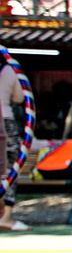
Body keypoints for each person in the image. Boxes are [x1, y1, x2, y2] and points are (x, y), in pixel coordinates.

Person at [0, 55, 29, 231]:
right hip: (6, 120)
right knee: (10, 168)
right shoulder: (9, 69)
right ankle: (5, 217)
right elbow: (19, 97)